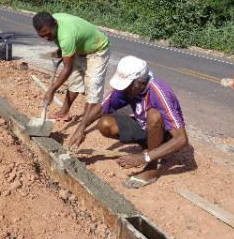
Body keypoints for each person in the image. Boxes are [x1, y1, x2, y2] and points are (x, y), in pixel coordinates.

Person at [69, 56, 189, 189]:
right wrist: (81, 127)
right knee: (104, 123)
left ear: (141, 83)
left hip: (166, 135)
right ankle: (147, 145)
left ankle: (152, 168)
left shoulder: (159, 93)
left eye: (127, 86)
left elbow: (181, 139)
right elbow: (102, 107)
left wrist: (144, 158)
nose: (123, 90)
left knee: (154, 116)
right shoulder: (129, 89)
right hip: (145, 127)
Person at [32, 12, 110, 123]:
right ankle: (63, 112)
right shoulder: (51, 21)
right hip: (80, 49)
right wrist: (61, 50)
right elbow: (65, 41)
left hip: (97, 49)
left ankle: (85, 123)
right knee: (74, 81)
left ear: (55, 24)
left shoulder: (66, 36)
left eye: (48, 34)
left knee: (93, 85)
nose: (46, 38)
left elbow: (67, 69)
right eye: (42, 35)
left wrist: (51, 90)